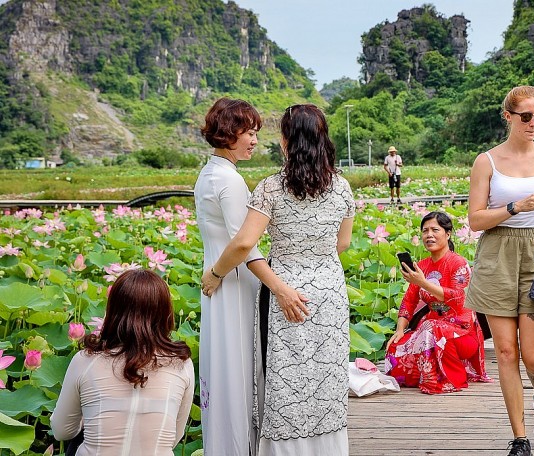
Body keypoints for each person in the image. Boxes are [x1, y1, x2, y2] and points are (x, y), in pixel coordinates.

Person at [201, 104, 355, 456]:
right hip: (329, 287)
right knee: (325, 374)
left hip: (284, 287)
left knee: (286, 377)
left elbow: (243, 243)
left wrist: (215, 274)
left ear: (287, 142)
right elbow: (343, 243)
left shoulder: (271, 188)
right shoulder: (342, 187)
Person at [465, 85, 534, 454]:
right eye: (526, 116)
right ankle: (519, 437)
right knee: (506, 352)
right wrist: (516, 206)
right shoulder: (486, 161)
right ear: (508, 116)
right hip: (497, 254)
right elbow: (475, 219)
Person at [194, 97, 275, 454]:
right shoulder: (230, 181)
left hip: (220, 281)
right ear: (228, 133)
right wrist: (216, 273)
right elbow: (244, 246)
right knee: (240, 367)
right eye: (248, 131)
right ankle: (240, 446)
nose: (254, 140)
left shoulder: (209, 173)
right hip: (233, 283)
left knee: (223, 363)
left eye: (256, 132)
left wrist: (213, 272)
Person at [51, 269, 194, 455]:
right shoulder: (182, 364)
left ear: (112, 311)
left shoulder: (85, 361)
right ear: (165, 313)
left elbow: (61, 431)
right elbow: (174, 436)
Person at [386, 211, 491, 394]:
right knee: (396, 345)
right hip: (431, 330)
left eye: (435, 230)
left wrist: (424, 283)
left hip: (462, 333)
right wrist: (400, 329)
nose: (429, 235)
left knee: (432, 327)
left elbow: (459, 300)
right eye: (425, 231)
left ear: (448, 233)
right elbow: (409, 301)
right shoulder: (423, 266)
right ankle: (421, 374)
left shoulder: (458, 263)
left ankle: (446, 378)